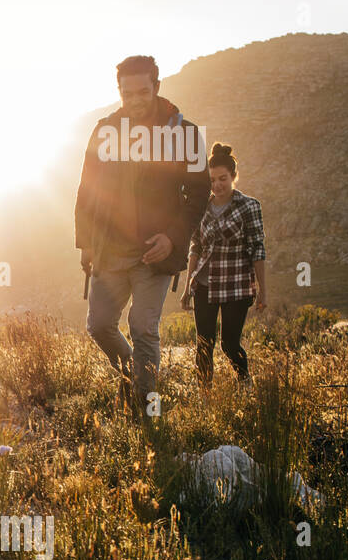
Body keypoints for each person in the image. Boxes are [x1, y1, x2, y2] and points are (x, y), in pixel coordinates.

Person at [74, 54, 211, 415]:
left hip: (156, 251)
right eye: (126, 93)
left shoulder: (184, 133)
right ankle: (136, 377)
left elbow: (198, 195)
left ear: (157, 87)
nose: (134, 100)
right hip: (110, 249)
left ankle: (145, 409)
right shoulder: (106, 131)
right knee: (100, 324)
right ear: (119, 91)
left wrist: (173, 237)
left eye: (141, 92)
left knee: (143, 327)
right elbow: (86, 188)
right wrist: (86, 242)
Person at [180, 142, 266, 387]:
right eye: (212, 180)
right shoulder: (201, 207)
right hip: (205, 284)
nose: (217, 185)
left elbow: (257, 249)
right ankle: (205, 397)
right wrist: (188, 288)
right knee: (203, 344)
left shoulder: (249, 206)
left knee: (230, 344)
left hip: (236, 284)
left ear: (233, 177)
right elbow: (195, 247)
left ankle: (245, 383)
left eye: (222, 179)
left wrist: (262, 290)